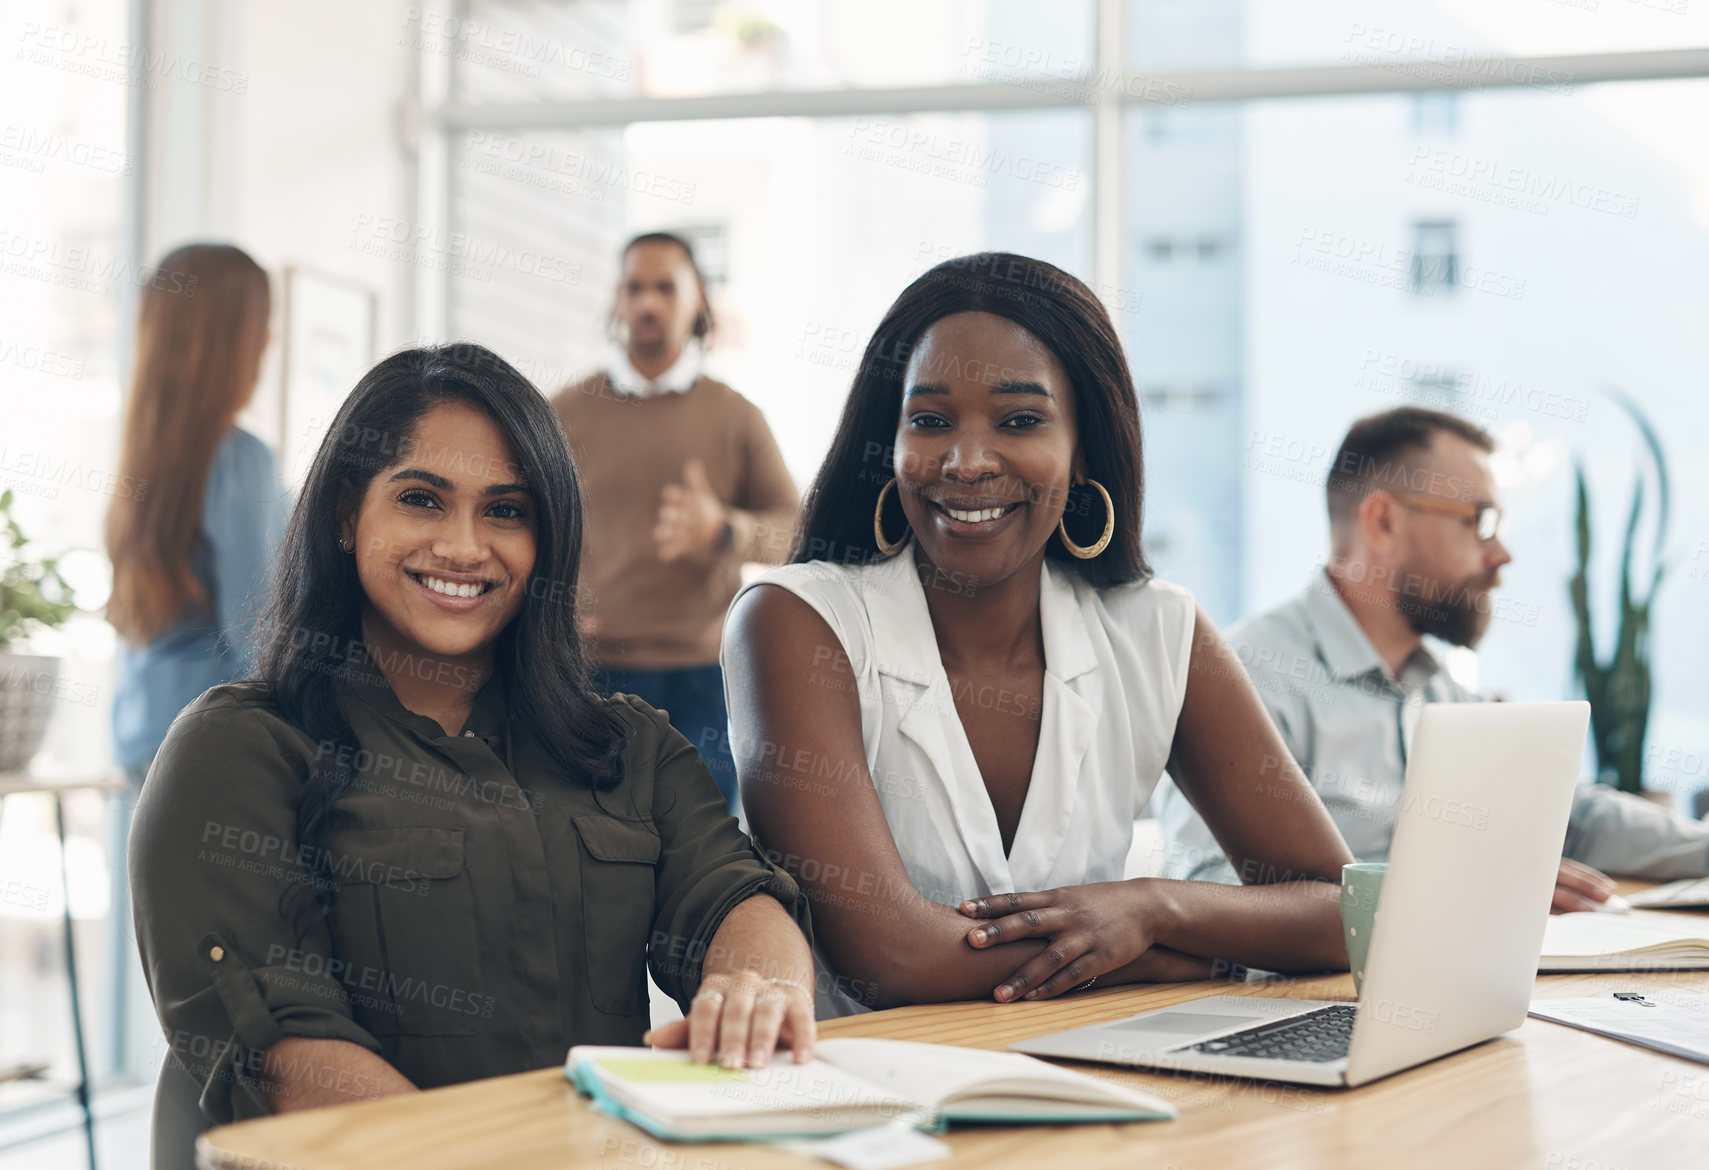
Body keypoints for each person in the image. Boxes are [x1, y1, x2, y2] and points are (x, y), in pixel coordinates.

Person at [129, 345, 815, 1169]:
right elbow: (282, 1050)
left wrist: (758, 988)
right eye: (421, 499)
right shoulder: (237, 750)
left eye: (506, 511)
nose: (463, 547)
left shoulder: (626, 744)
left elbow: (730, 891)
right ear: (348, 513)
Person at [721, 253, 1357, 1019]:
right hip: (874, 1114)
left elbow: (1339, 908)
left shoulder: (1157, 628)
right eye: (928, 421)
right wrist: (1174, 959)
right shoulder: (794, 622)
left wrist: (1153, 908)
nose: (965, 461)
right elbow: (893, 958)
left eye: (1019, 421)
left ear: (1084, 445)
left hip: (1103, 1091)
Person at [1153, 406, 1709, 907]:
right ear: (1384, 522)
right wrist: (1456, 888)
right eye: (1481, 522)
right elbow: (1204, 889)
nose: (1502, 553)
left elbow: (1574, 820)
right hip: (1304, 1006)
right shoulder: (1248, 676)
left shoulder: (1439, 688)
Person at [551, 232, 799, 814]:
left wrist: (725, 530)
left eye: (665, 287)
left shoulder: (736, 417)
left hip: (701, 681)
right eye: (634, 287)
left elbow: (795, 530)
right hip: (585, 673)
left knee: (697, 863)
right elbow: (519, 522)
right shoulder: (563, 412)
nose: (648, 303)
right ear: (617, 300)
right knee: (587, 852)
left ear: (699, 303)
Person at [105, 242, 288, 789]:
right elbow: (257, 635)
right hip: (209, 739)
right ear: (237, 341)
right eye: (263, 325)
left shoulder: (145, 458)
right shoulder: (239, 457)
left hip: (142, 730)